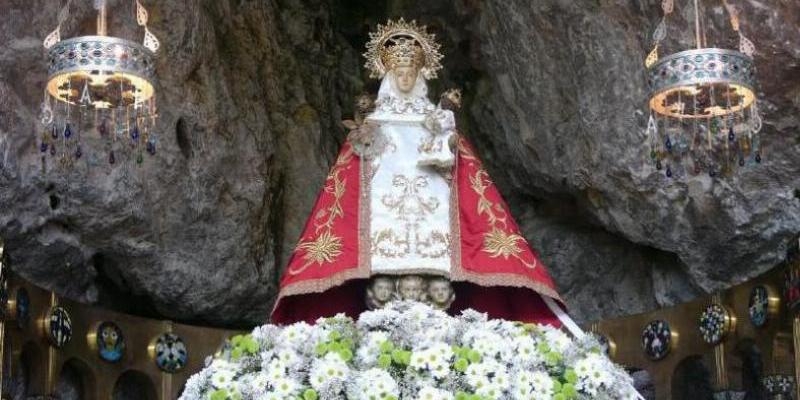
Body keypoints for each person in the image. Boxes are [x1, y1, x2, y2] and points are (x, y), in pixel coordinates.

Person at [271, 20, 579, 336]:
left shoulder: (437, 121)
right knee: (382, 272)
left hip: (433, 213)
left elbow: (463, 172)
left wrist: (446, 142)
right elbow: (349, 179)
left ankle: (438, 307)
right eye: (399, 73)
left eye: (410, 73)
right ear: (389, 75)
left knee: (438, 272)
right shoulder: (375, 122)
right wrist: (365, 141)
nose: (405, 79)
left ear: (419, 75)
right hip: (383, 216)